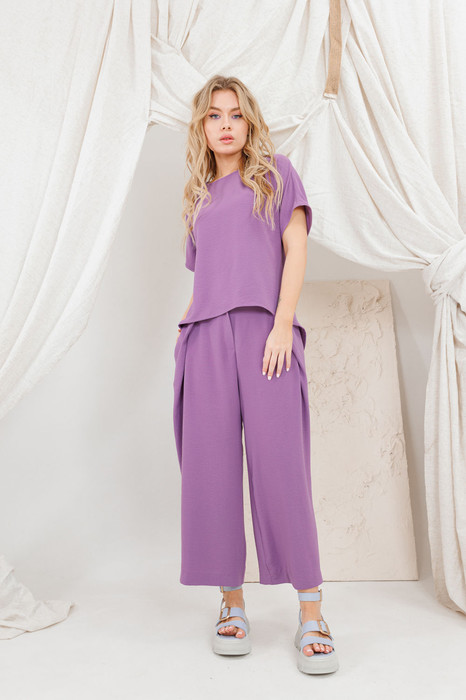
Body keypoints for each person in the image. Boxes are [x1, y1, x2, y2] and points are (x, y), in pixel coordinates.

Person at [173, 75, 339, 675]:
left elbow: (295, 251)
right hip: (205, 341)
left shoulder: (276, 176)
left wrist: (282, 323)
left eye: (235, 115)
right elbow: (208, 277)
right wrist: (190, 338)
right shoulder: (197, 197)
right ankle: (231, 603)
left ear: (250, 123)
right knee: (211, 472)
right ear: (203, 127)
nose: (225, 124)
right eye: (214, 115)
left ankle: (312, 612)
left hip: (267, 336)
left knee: (282, 468)